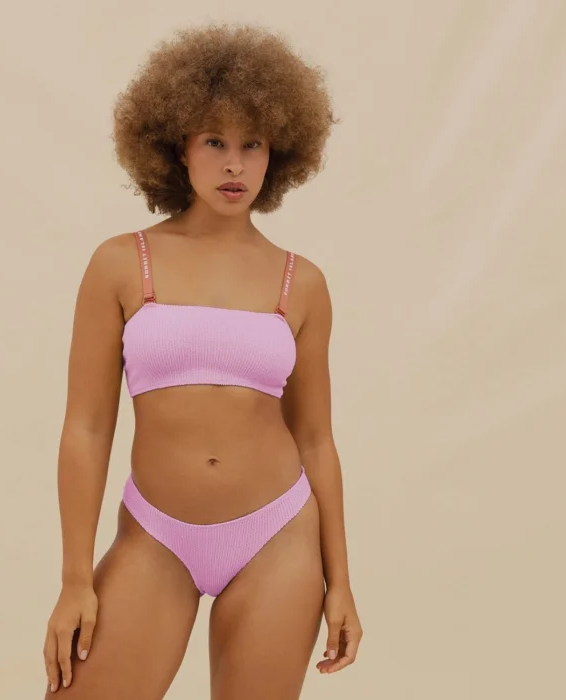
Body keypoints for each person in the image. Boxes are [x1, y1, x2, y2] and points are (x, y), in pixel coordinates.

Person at [42, 21, 362, 699]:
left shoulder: (301, 282)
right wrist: (74, 579)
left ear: (279, 152)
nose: (234, 165)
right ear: (176, 145)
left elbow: (315, 439)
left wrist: (341, 581)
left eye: (253, 144)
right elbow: (87, 429)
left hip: (279, 535)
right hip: (155, 535)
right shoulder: (121, 264)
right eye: (215, 141)